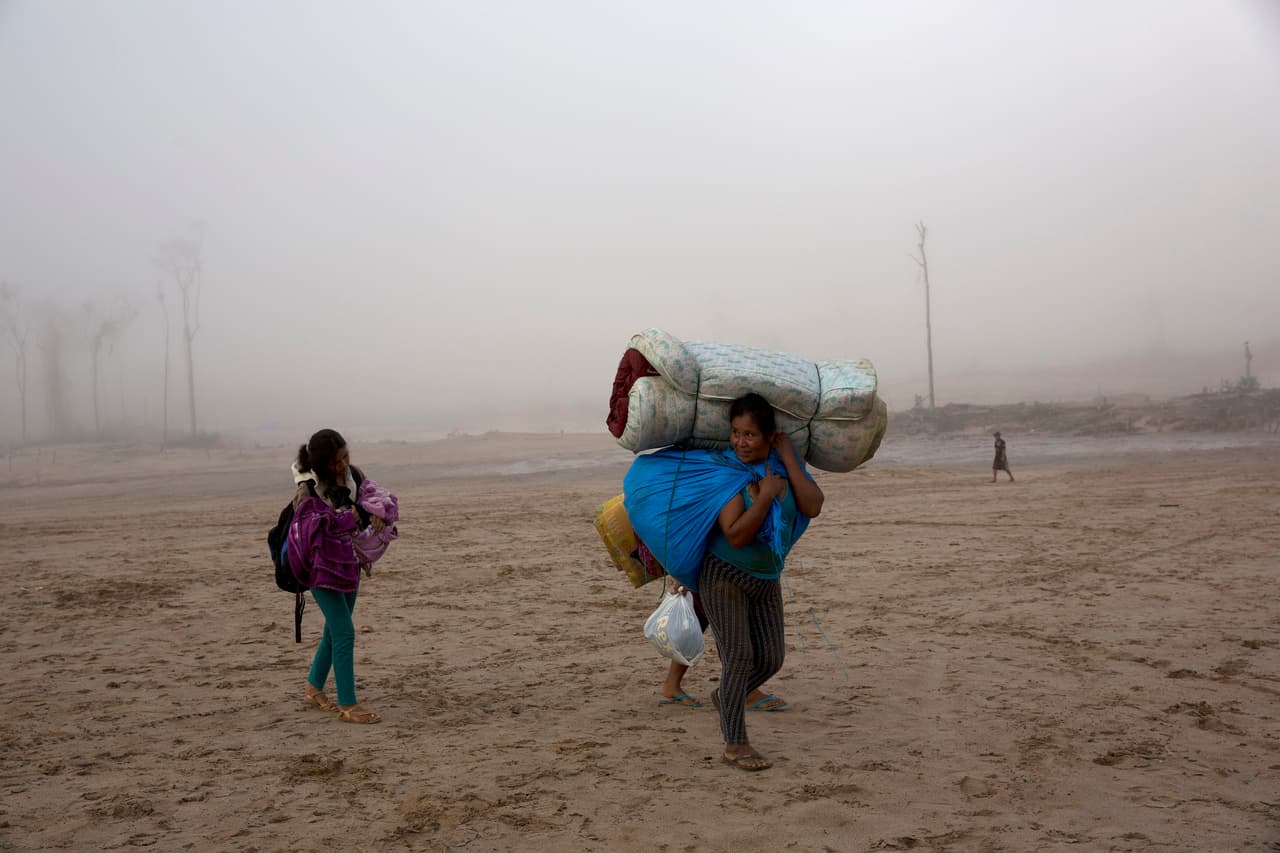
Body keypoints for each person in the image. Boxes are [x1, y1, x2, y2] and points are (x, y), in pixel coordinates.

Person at [701, 393, 824, 771]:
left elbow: (813, 504)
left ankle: (728, 695)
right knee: (739, 657)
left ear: (769, 437)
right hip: (723, 575)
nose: (740, 441)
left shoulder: (782, 470)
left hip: (766, 577)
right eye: (736, 433)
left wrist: (787, 458)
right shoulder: (726, 473)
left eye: (751, 434)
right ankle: (735, 743)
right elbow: (735, 534)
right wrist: (764, 498)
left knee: (771, 658)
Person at [289, 429, 387, 724]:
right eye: (336, 462)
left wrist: (375, 514)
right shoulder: (308, 491)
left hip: (350, 564)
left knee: (335, 631)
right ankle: (348, 705)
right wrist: (349, 518)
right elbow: (313, 529)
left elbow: (367, 503)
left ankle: (313, 688)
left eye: (346, 457)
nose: (343, 465)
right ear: (321, 465)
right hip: (321, 569)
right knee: (344, 632)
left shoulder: (354, 475)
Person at [657, 583, 787, 713]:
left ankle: (672, 684)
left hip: (705, 573)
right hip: (713, 573)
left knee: (697, 618)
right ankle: (746, 692)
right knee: (725, 621)